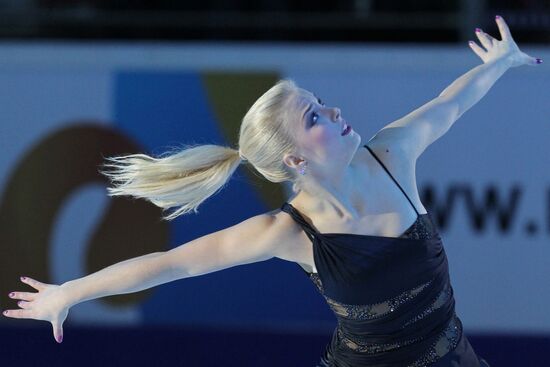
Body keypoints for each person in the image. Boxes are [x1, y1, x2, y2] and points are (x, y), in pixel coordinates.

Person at [3, 15, 541, 366]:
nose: (333, 111)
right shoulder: (287, 233)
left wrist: (498, 65)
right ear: (295, 158)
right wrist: (67, 293)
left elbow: (451, 103)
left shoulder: (393, 154)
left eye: (321, 102)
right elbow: (171, 264)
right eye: (314, 116)